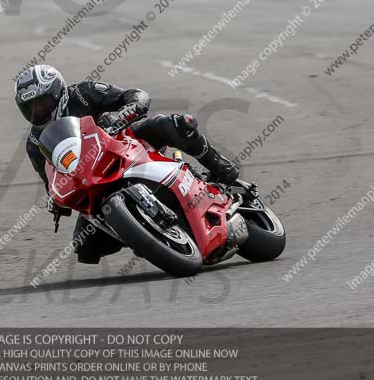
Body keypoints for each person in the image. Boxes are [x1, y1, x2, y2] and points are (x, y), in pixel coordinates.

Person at [14, 65, 240, 264]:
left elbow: (134, 95)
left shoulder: (81, 93)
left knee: (173, 124)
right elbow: (50, 180)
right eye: (29, 108)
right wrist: (55, 201)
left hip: (124, 143)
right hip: (90, 181)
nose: (37, 112)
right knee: (84, 247)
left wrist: (131, 108)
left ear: (56, 93)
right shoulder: (35, 144)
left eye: (41, 103)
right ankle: (142, 234)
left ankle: (219, 166)